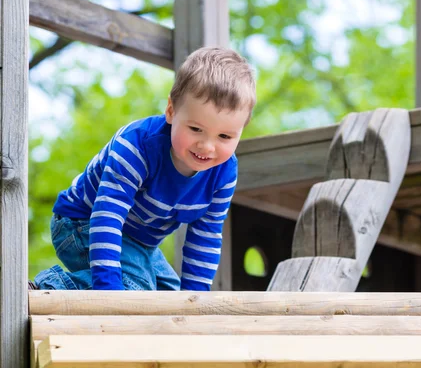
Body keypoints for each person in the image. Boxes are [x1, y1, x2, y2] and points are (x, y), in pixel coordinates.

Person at [30, 47, 255, 291]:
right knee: (136, 291)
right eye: (195, 129)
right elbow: (108, 215)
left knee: (171, 301)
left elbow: (206, 237)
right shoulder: (137, 146)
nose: (207, 146)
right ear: (171, 111)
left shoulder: (223, 173)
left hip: (140, 243)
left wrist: (194, 304)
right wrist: (109, 291)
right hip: (82, 222)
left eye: (224, 136)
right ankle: (48, 287)